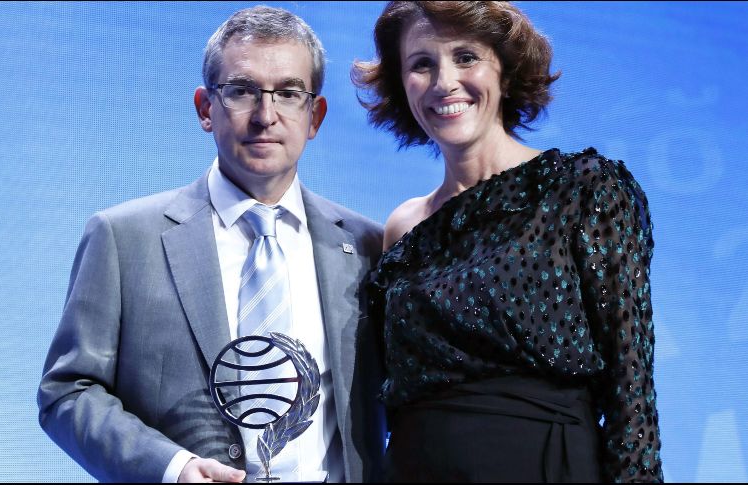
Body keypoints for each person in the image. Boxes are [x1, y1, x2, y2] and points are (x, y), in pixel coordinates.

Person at [38, 6, 386, 483]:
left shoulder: (367, 245)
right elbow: (68, 392)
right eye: (241, 91)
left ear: (315, 115)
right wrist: (173, 468)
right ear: (206, 108)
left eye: (288, 93)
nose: (266, 116)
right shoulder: (123, 238)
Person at [352, 1, 662, 482]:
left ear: (507, 69)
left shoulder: (582, 190)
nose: (444, 82)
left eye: (466, 57)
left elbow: (632, 389)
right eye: (421, 64)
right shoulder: (402, 226)